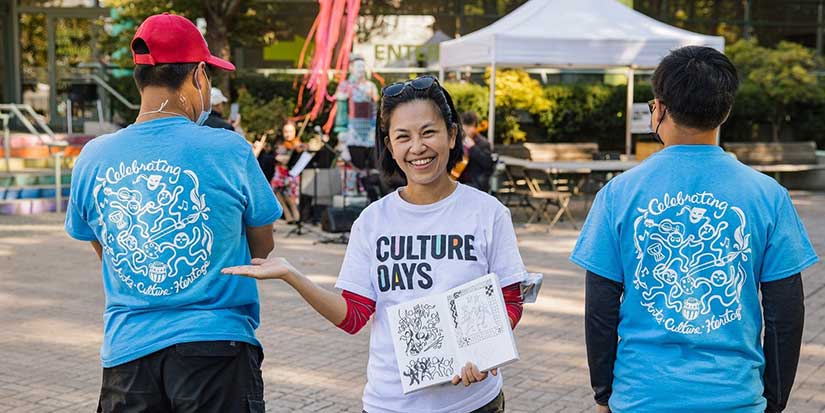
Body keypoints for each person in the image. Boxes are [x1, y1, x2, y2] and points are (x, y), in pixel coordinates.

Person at [223, 75, 528, 413]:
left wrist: (483, 352)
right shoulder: (372, 221)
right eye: (403, 137)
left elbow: (510, 300)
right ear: (390, 145)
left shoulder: (488, 213)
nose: (417, 147)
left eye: (428, 132)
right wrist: (292, 275)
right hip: (390, 403)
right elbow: (353, 316)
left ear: (452, 134)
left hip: (473, 402)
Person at [570, 46, 818, 413]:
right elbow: (786, 311)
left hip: (641, 396)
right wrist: (775, 400)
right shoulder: (768, 195)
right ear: (726, 111)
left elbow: (600, 309)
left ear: (659, 109)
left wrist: (604, 394)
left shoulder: (618, 193)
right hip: (735, 397)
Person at [64, 13, 282, 412]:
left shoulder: (92, 157)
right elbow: (261, 251)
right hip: (217, 348)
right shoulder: (229, 150)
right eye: (208, 76)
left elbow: (107, 250)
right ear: (198, 75)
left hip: (128, 355)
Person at [270, 121, 303, 223]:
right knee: (276, 191)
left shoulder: (297, 143)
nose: (288, 134)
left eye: (291, 131)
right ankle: (287, 215)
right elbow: (277, 157)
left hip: (292, 174)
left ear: (295, 132)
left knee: (289, 195)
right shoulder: (279, 144)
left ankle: (296, 216)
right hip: (280, 173)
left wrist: (299, 148)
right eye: (286, 131)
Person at [454, 111, 494, 192]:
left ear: (474, 127)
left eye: (469, 128)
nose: (466, 132)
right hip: (459, 180)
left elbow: (488, 164)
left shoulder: (483, 143)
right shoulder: (458, 140)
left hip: (476, 183)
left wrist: (473, 148)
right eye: (464, 128)